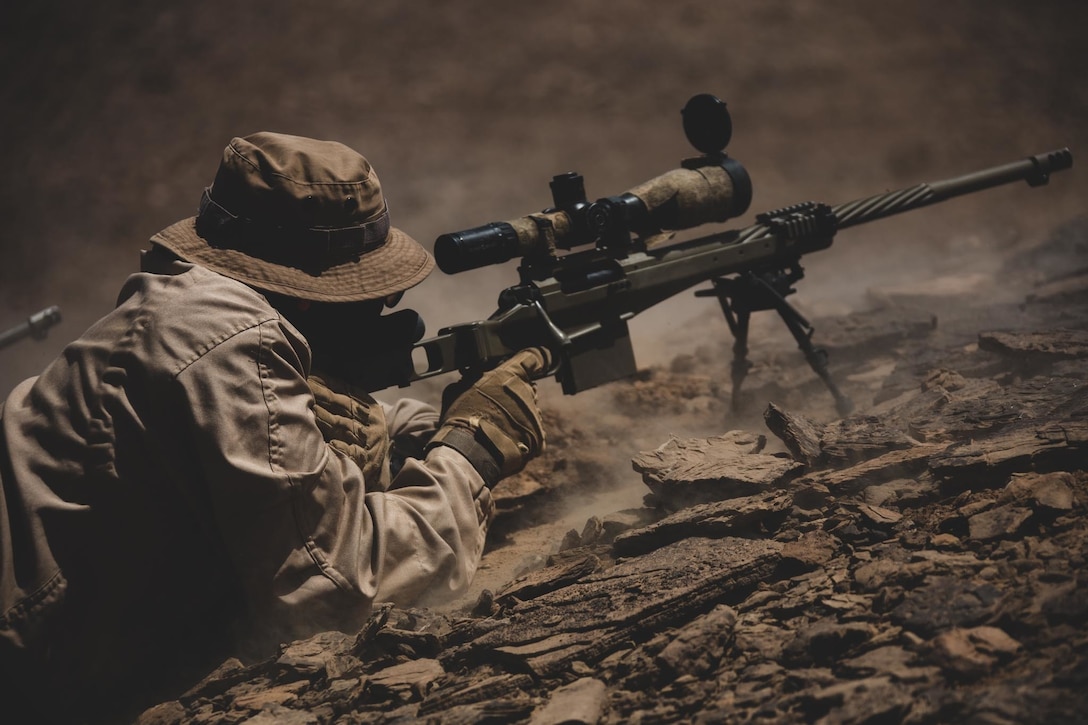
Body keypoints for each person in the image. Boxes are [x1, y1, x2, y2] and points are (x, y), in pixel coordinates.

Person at [0, 132, 548, 720]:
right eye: (372, 293)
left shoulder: (184, 308)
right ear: (310, 297)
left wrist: (412, 430)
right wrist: (470, 451)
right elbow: (335, 592)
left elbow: (313, 432)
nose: (386, 310)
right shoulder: (236, 338)